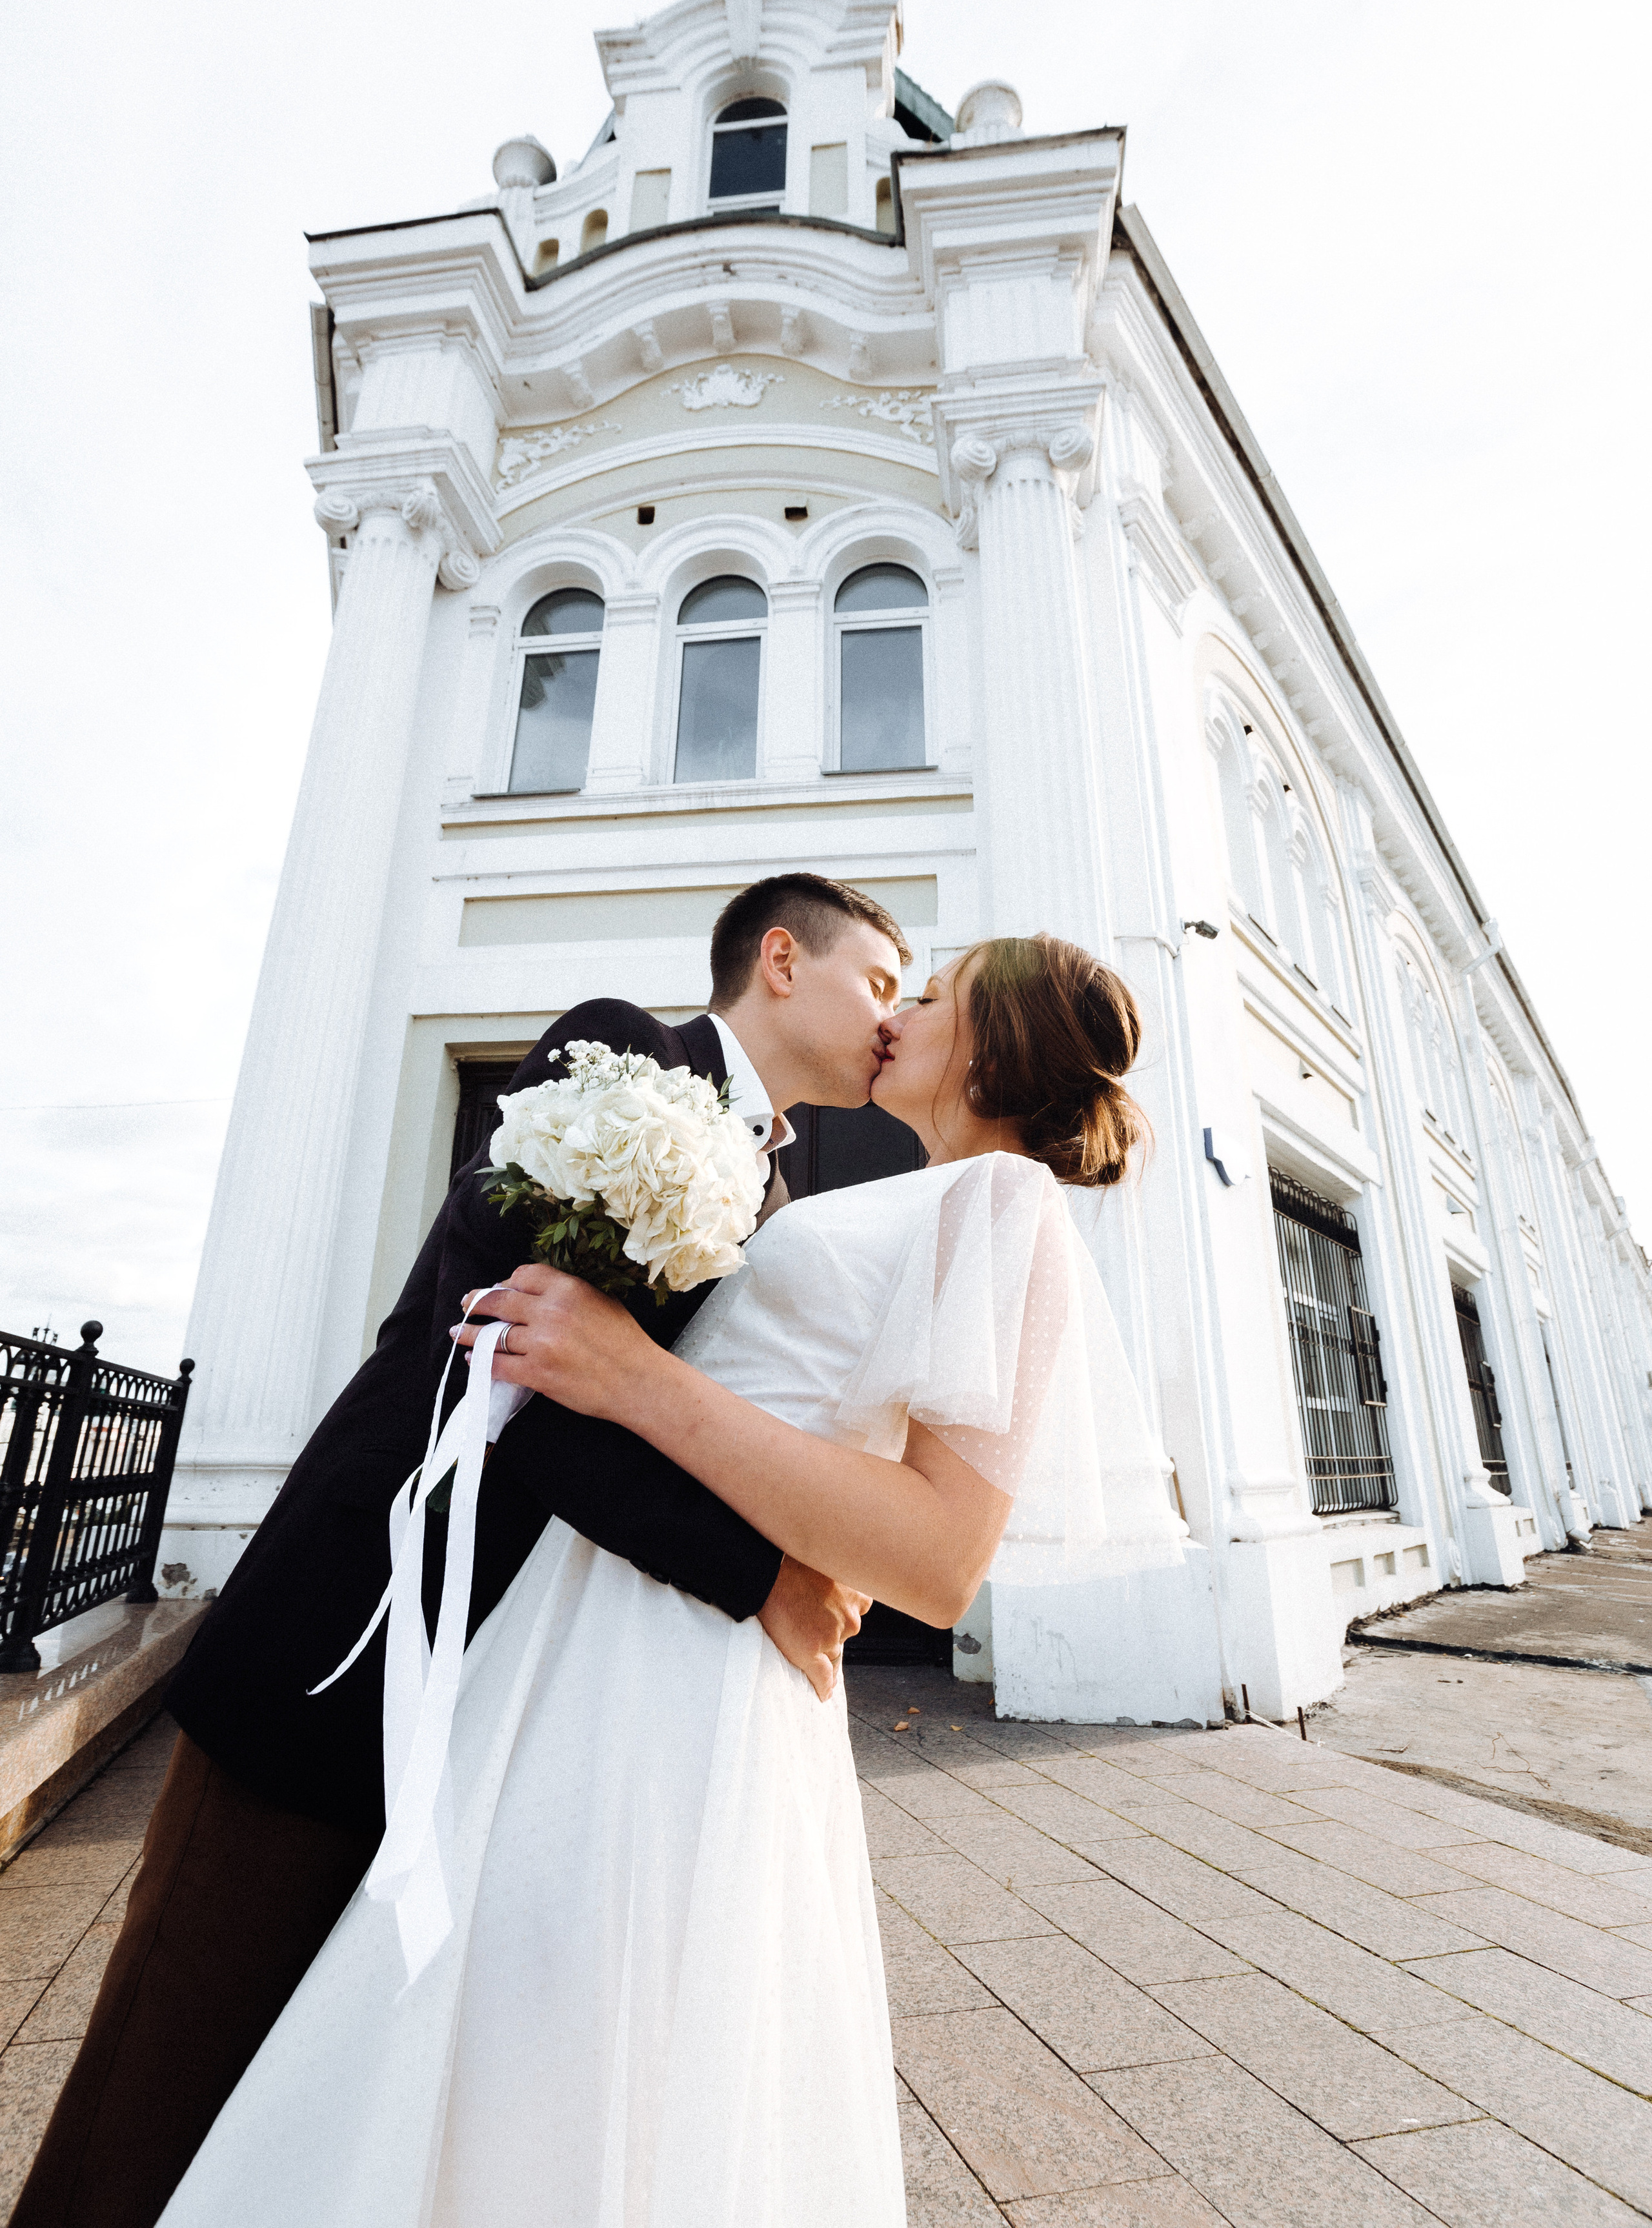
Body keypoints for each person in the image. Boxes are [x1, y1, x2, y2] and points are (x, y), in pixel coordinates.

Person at [157, 934, 1185, 2228]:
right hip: (575, 1632)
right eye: (893, 984)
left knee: (569, 2039)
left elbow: (938, 1559)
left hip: (673, 1678)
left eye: (927, 999)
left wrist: (642, 1383)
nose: (899, 1017)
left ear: (983, 1045)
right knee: (477, 2027)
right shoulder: (866, 1192)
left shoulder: (1004, 1208)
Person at [14, 873, 910, 2228]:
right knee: (165, 2078)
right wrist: (763, 1576)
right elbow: (508, 1363)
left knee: (322, 2112)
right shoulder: (622, 1057)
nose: (892, 1022)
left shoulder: (778, 1186)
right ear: (781, 960)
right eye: (881, 984)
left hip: (519, 1709)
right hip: (349, 1634)